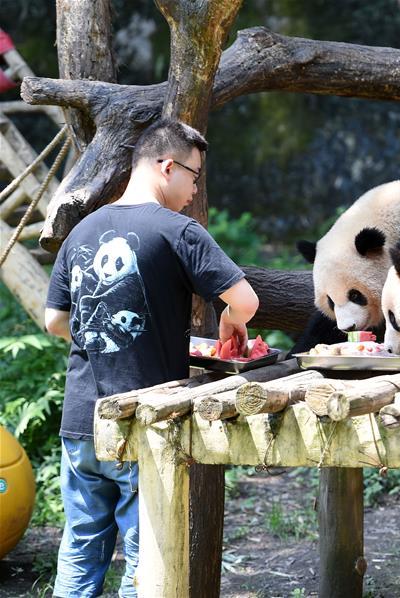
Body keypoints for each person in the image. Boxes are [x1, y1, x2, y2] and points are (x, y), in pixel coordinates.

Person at [44, 118, 258, 597]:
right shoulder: (179, 230)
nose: (195, 188)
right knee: (147, 557)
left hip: (82, 421)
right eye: (194, 175)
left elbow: (54, 321)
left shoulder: (83, 231)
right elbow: (245, 301)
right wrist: (230, 322)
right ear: (167, 166)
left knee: (80, 548)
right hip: (145, 423)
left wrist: (101, 340)